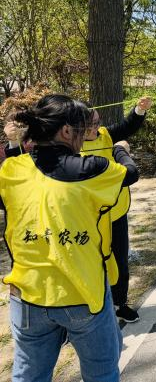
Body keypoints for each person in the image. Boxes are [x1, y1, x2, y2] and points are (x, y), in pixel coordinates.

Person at [0, 94, 138, 382]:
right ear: (65, 131)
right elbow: (130, 173)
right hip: (81, 294)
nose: (84, 135)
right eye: (81, 128)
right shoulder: (93, 169)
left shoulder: (11, 169)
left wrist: (14, 145)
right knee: (101, 374)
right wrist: (120, 149)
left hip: (26, 296)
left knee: (29, 376)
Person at [83, 96, 152, 323]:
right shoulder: (71, 146)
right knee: (92, 261)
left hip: (115, 212)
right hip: (87, 217)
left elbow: (127, 126)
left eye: (97, 122)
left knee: (120, 259)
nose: (94, 128)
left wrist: (139, 110)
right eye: (89, 124)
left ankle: (120, 303)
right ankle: (91, 306)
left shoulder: (105, 134)